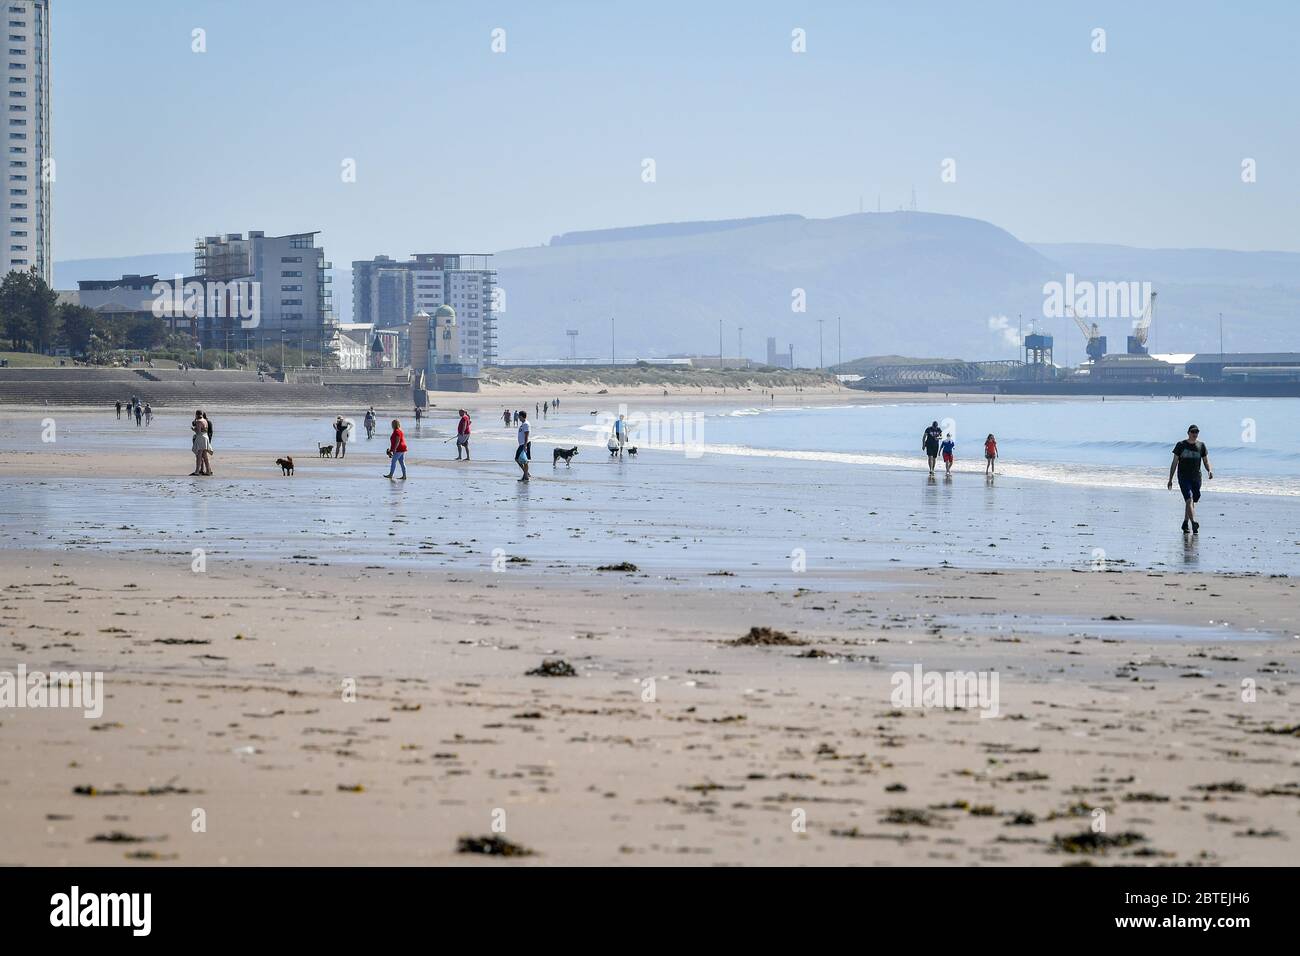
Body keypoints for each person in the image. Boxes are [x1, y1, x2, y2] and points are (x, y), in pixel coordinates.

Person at [1168, 424, 1213, 534]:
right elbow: (1174, 463)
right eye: (1192, 432)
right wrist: (1170, 479)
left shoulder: (1201, 445)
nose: (1194, 434)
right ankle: (1193, 523)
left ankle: (1185, 523)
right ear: (1188, 433)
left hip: (1196, 477)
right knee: (1189, 499)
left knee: (1193, 500)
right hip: (1183, 477)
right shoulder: (1181, 445)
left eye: (1196, 432)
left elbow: (1206, 461)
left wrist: (1209, 470)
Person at [190, 411, 210, 476]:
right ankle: (208, 470)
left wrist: (193, 429)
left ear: (196, 415)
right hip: (205, 437)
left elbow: (198, 432)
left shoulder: (198, 421)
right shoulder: (205, 420)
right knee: (205, 455)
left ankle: (197, 471)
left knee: (199, 455)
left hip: (201, 437)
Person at [515, 410, 531, 481]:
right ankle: (526, 473)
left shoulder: (526, 424)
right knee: (518, 459)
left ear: (521, 416)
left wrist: (525, 445)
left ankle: (526, 475)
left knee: (524, 461)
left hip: (524, 444)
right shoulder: (523, 424)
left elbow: (527, 434)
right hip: (522, 444)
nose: (518, 417)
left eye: (519, 416)